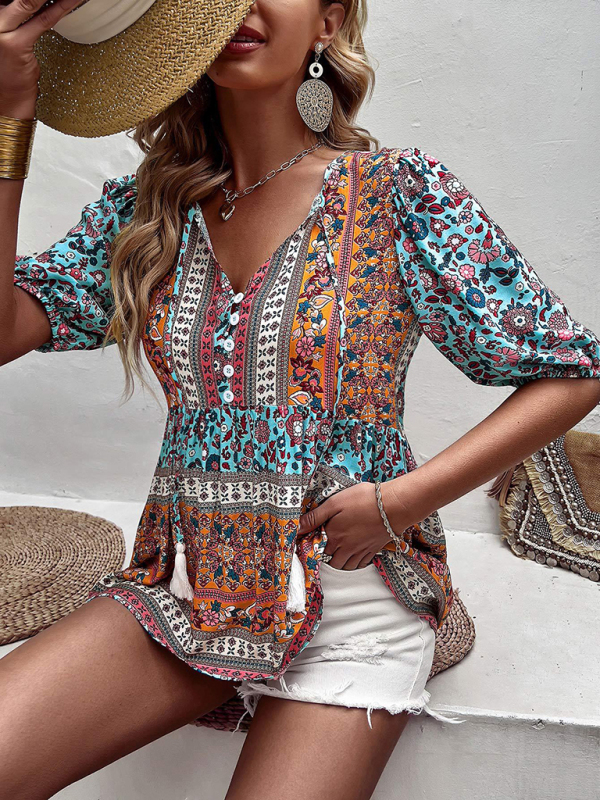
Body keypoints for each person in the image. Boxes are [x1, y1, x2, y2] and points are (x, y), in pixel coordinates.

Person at [1, 0, 600, 798]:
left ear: (328, 21)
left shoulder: (398, 192)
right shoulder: (148, 212)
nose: (241, 6)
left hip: (354, 604)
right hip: (185, 591)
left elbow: (572, 372)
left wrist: (400, 502)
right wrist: (12, 116)